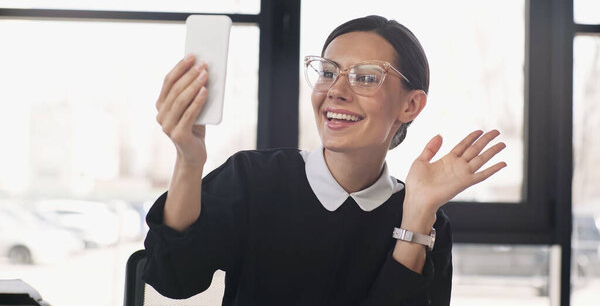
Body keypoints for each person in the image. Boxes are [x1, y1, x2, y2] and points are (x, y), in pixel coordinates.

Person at [142, 15, 506, 306]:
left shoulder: (427, 221)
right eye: (328, 72)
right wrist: (189, 161)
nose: (336, 91)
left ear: (410, 105)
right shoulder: (252, 179)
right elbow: (173, 279)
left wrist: (415, 218)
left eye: (365, 78)